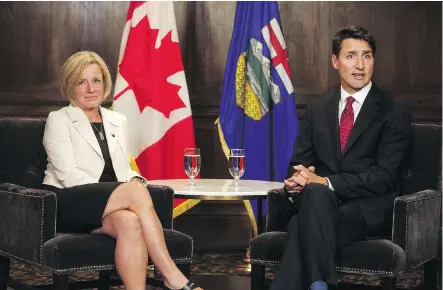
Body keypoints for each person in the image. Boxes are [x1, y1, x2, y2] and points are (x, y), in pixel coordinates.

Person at [40, 51, 202, 290]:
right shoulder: (59, 119)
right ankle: (172, 275)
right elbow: (67, 175)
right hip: (69, 200)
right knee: (133, 193)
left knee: (130, 221)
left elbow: (122, 168)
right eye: (81, 82)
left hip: (109, 203)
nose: (90, 88)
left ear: (104, 83)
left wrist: (133, 181)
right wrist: (121, 193)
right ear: (70, 86)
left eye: (96, 80)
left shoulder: (117, 120)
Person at [269, 26, 412, 290]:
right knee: (315, 197)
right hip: (320, 203)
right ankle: (320, 283)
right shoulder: (317, 108)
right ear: (335, 61)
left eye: (367, 56)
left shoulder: (394, 110)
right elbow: (297, 162)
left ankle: (317, 283)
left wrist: (324, 182)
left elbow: (385, 176)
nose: (359, 65)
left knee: (302, 221)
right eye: (350, 56)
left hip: (366, 209)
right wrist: (296, 179)